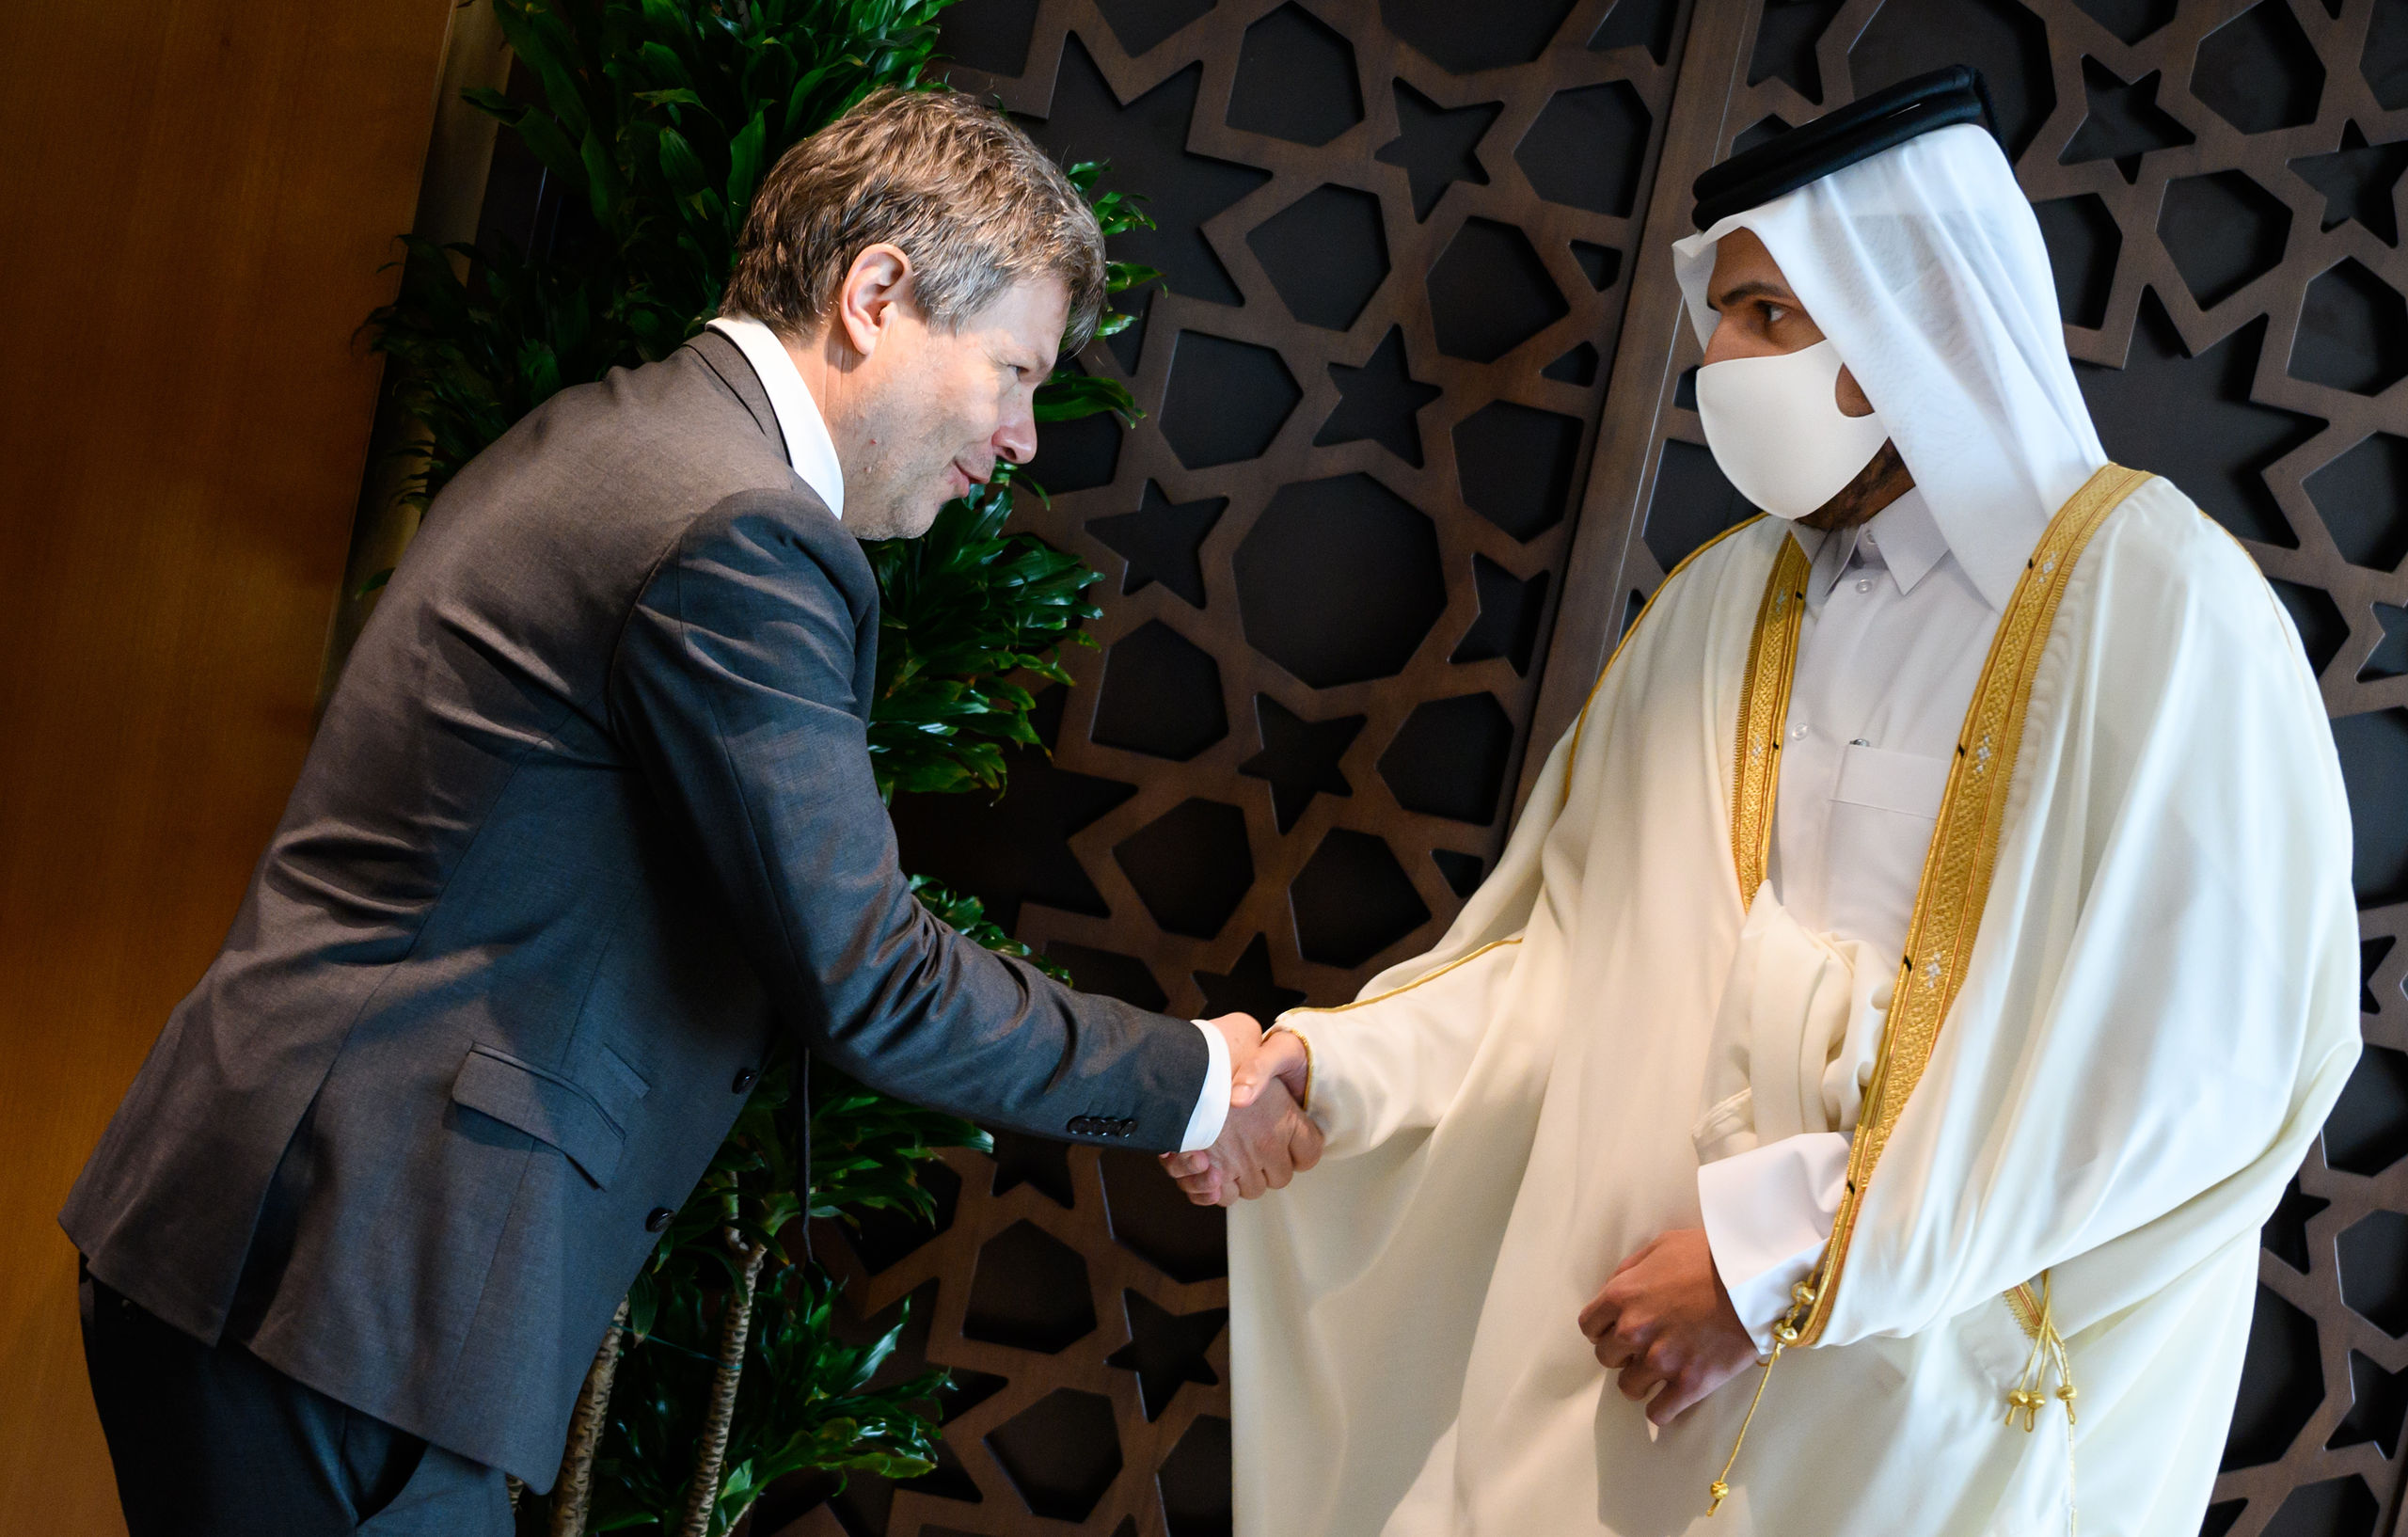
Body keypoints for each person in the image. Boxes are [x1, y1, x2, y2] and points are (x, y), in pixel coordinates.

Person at [63, 87, 1291, 1537]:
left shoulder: (633, 433)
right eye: (1014, 370)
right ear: (876, 295)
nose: (1024, 436)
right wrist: (1196, 1079)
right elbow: (870, 975)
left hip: (303, 1266)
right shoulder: (736, 527)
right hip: (343, 1295)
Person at [1174, 67, 2360, 1537]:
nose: (1721, 362)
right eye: (1722, 318)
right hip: (1620, 1387)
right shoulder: (1724, 607)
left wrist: (1773, 1266)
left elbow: (2199, 1061)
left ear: (1906, 322)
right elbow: (1571, 973)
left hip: (1907, 1434)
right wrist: (1329, 1068)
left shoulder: (2157, 608)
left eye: (1768, 316)